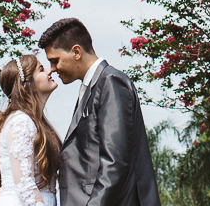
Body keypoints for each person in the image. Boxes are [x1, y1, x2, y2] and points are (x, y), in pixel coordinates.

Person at [39, 18, 160, 206]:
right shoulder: (92, 87)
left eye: (55, 61)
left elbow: (115, 161)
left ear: (76, 52)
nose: (53, 69)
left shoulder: (110, 82)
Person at [0, 53, 62, 206]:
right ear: (27, 84)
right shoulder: (21, 122)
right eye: (41, 69)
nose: (49, 71)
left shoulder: (35, 123)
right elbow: (24, 184)